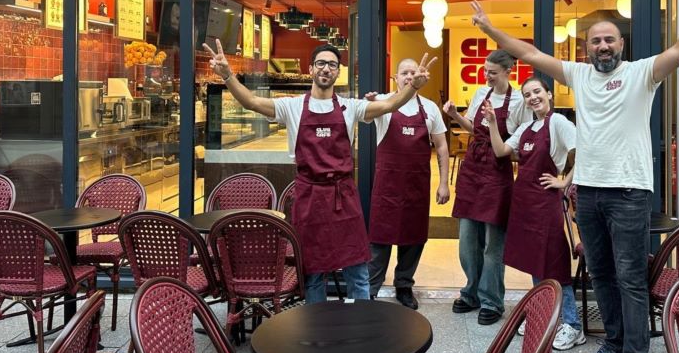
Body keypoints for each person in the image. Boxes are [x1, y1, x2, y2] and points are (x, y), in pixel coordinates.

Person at [469, 0, 679, 353]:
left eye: (609, 39)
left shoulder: (640, 73)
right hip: (588, 192)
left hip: (628, 192)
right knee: (601, 273)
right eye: (596, 41)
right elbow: (529, 54)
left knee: (630, 275)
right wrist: (491, 29)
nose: (603, 46)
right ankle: (613, 345)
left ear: (621, 44)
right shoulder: (578, 75)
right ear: (587, 48)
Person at [202, 39, 435, 304]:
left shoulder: (350, 106)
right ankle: (317, 324)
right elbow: (252, 102)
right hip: (309, 198)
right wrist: (228, 75)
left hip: (343, 196)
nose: (326, 68)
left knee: (358, 272)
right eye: (321, 63)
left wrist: (412, 87)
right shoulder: (291, 106)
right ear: (311, 69)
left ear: (338, 72)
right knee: (314, 275)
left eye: (332, 65)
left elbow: (388, 106)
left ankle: (362, 322)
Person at [483, 77, 583, 350]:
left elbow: (583, 149)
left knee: (554, 261)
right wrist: (492, 123)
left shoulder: (558, 123)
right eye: (527, 94)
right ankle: (546, 315)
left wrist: (564, 182)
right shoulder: (527, 127)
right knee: (534, 261)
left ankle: (572, 324)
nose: (533, 97)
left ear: (549, 94)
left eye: (537, 91)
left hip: (546, 204)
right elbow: (501, 151)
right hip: (525, 204)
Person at [443, 49, 526, 325]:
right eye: (485, 71)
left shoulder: (518, 101)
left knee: (493, 244)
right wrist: (455, 115)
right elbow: (471, 128)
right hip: (472, 169)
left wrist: (492, 123)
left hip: (497, 171)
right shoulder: (481, 93)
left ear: (508, 71)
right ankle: (471, 293)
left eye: (492, 72)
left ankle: (492, 300)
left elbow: (515, 143)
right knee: (468, 239)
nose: (487, 76)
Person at [366, 58, 451, 309]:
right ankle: (370, 288)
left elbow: (442, 146)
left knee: (413, 240)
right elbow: (366, 112)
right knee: (379, 241)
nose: (409, 77)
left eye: (414, 73)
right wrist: (371, 102)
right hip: (387, 188)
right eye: (404, 73)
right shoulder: (384, 102)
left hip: (416, 188)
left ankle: (404, 285)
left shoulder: (430, 108)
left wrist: (444, 183)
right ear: (395, 77)